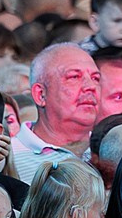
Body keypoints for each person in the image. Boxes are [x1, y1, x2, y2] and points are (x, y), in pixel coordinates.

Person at [11, 45, 102, 181]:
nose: (91, 86)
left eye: (96, 78)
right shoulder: (10, 156)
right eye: (74, 77)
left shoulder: (108, 150)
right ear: (41, 94)